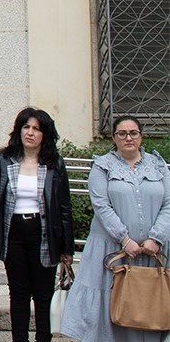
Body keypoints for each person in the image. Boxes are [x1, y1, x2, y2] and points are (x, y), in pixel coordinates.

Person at [61, 116, 170, 342]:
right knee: (113, 305)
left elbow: (169, 203)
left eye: (133, 133)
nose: (128, 138)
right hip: (112, 249)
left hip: (153, 252)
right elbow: (101, 205)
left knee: (150, 304)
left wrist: (156, 238)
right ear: (114, 137)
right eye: (122, 133)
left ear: (141, 136)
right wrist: (125, 239)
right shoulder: (102, 166)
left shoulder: (158, 165)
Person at [0, 107, 74, 342]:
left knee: (43, 295)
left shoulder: (54, 163)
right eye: (26, 127)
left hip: (45, 234)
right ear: (19, 130)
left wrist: (67, 247)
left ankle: (44, 338)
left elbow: (64, 205)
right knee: (19, 294)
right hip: (13, 233)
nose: (30, 133)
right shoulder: (3, 159)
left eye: (36, 128)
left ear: (45, 134)